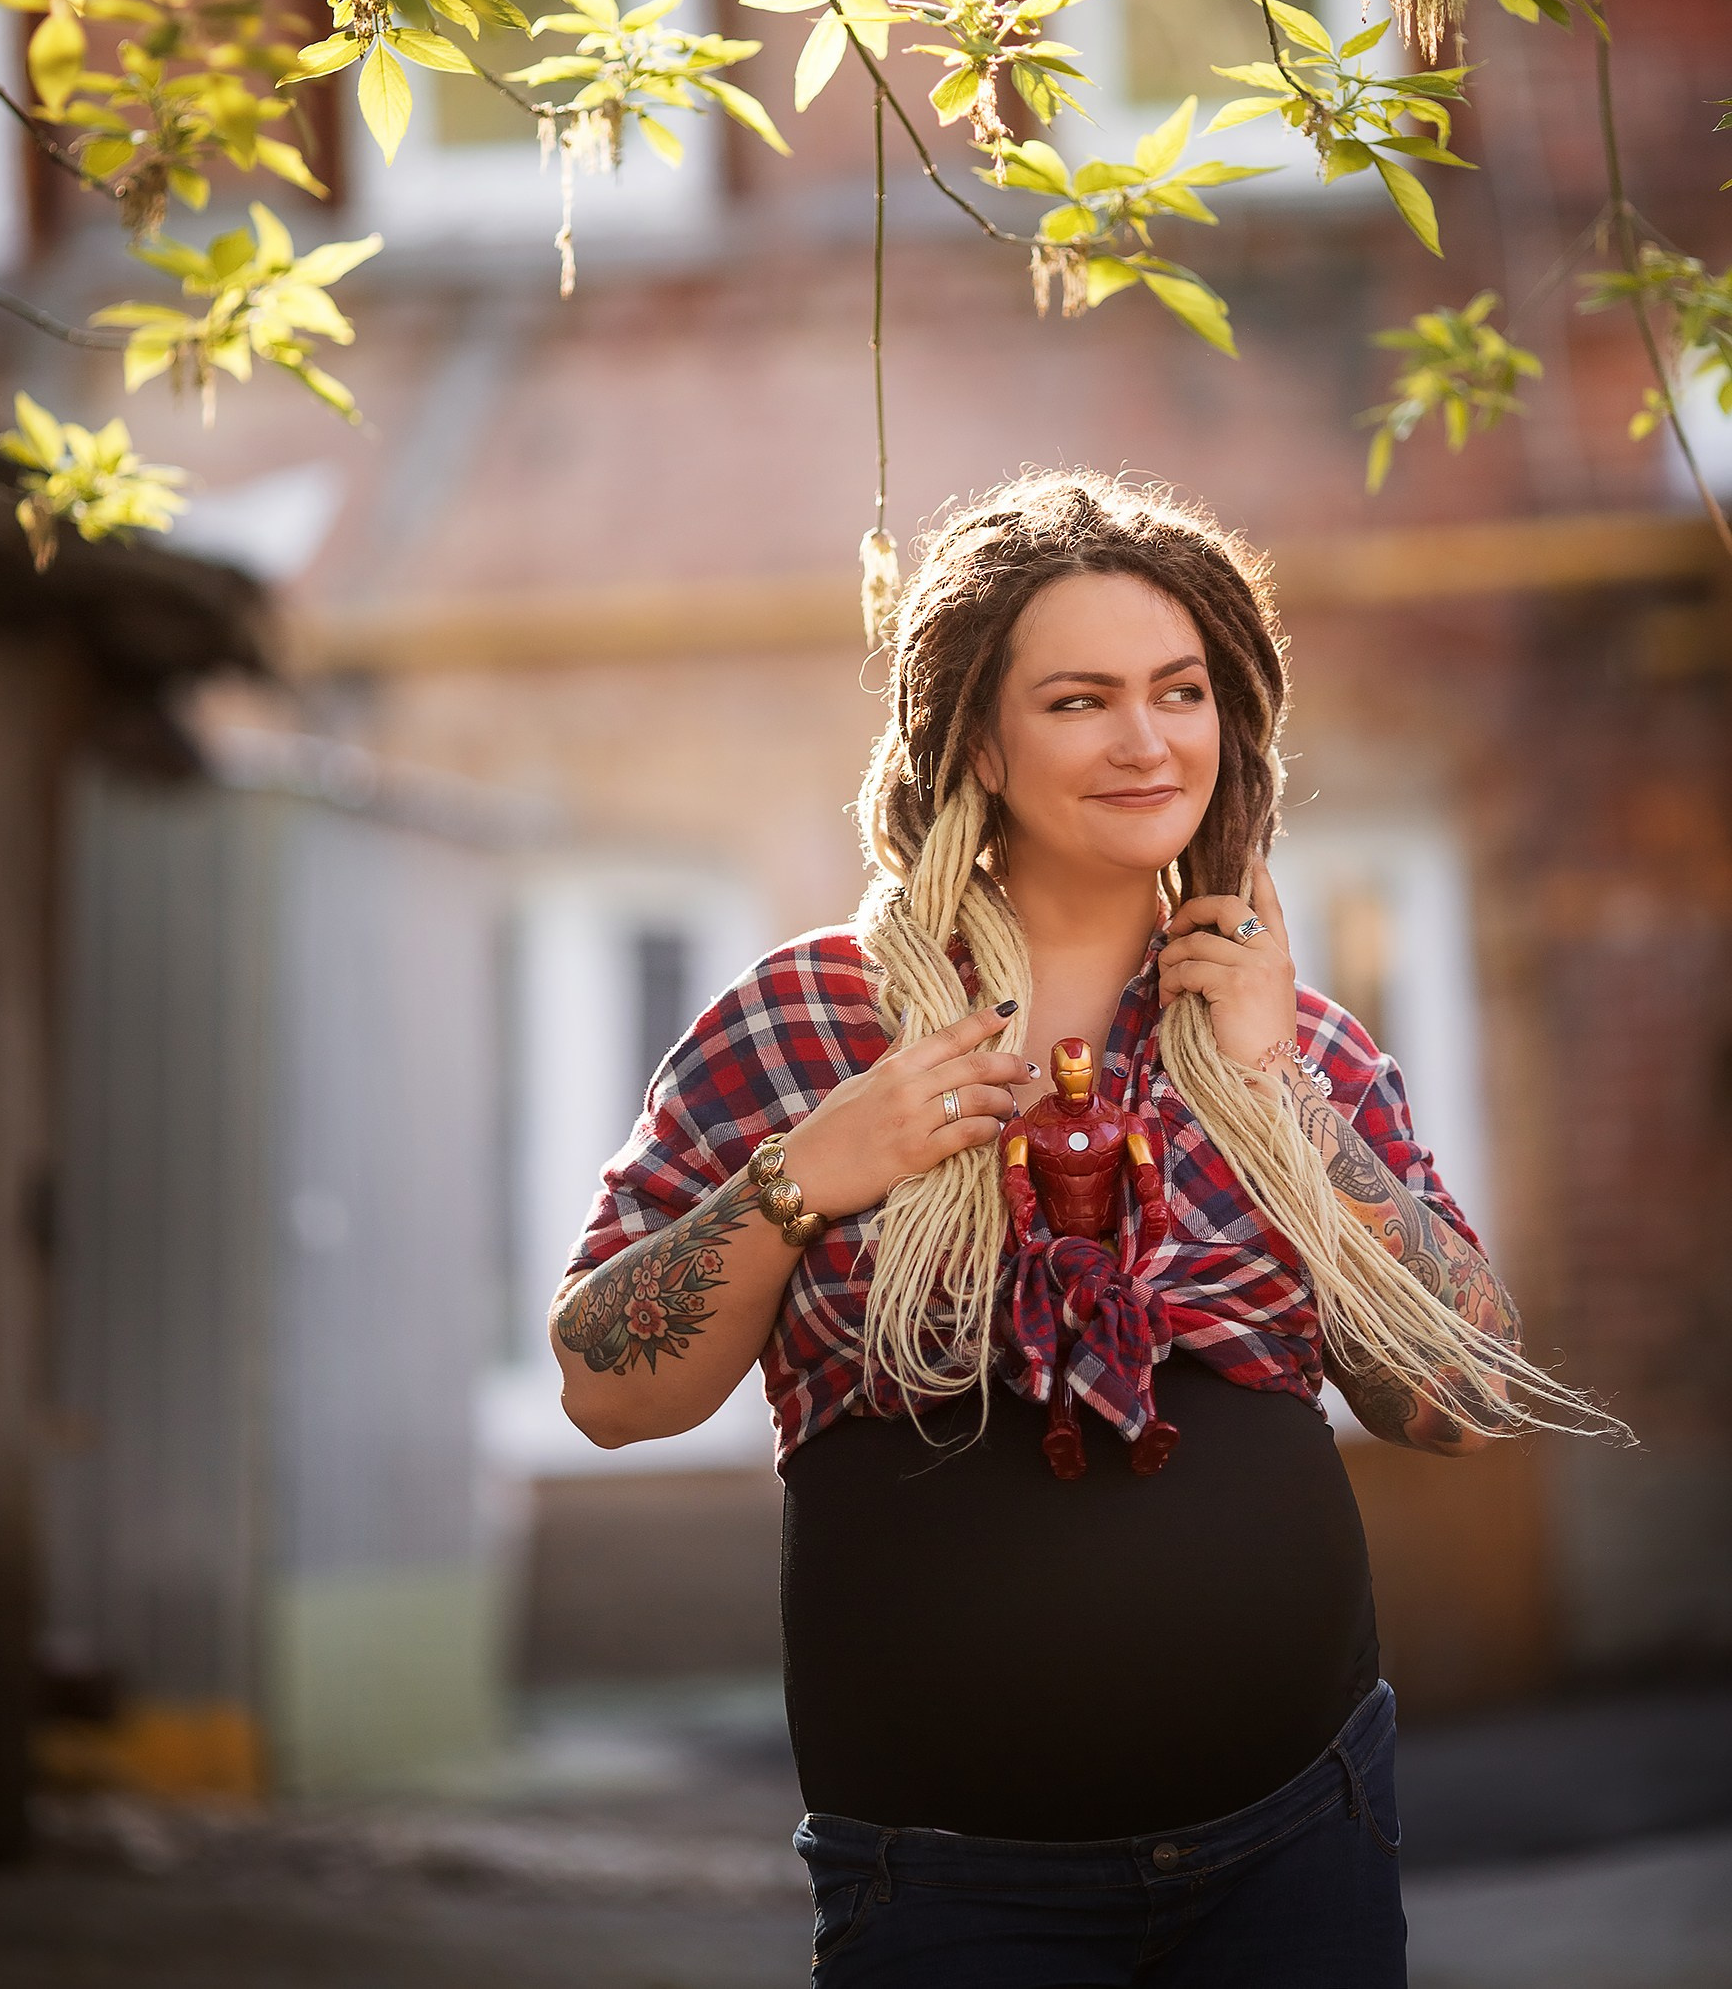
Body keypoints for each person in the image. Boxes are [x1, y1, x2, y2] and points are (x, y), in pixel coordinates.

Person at [550, 472, 1594, 1988]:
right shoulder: (804, 1026)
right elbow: (604, 1384)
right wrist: (809, 1170)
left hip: (1295, 1840)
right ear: (974, 733)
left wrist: (1282, 1105)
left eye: (1181, 691)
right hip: (945, 1884)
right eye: (1080, 699)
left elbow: (1469, 1401)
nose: (1146, 739)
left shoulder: (1295, 1041)